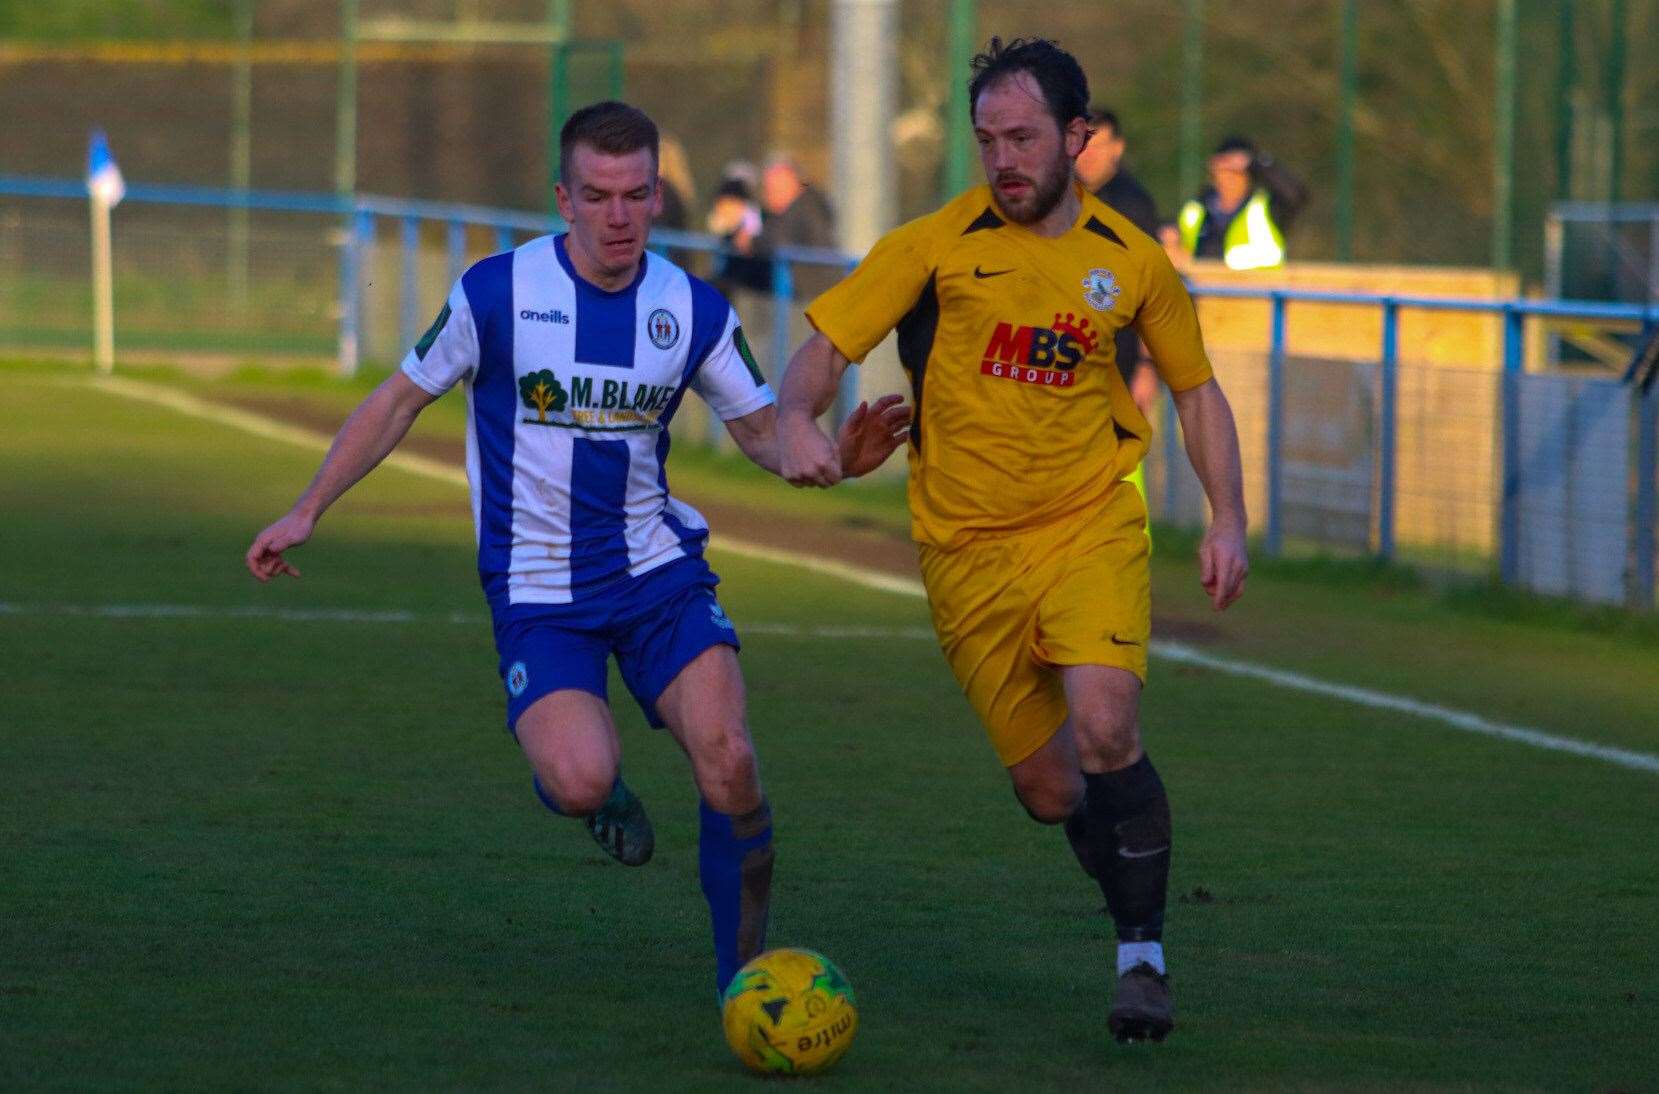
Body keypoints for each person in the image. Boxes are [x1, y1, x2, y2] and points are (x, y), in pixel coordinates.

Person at [244, 101, 909, 996]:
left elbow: (763, 436)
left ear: (655, 197)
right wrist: (307, 508)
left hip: (656, 574)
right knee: (580, 781)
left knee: (732, 760)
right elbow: (398, 399)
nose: (620, 217)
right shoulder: (494, 293)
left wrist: (833, 462)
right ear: (564, 198)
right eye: (598, 196)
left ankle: (742, 977)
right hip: (537, 588)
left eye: (637, 195)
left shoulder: (691, 309)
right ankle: (589, 792)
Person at [776, 37, 1248, 1043]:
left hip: (1089, 521)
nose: (1004, 158)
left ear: (1077, 137)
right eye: (987, 139)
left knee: (1106, 721)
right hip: (965, 553)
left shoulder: (1130, 260)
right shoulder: (933, 246)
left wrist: (1228, 516)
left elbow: (1198, 390)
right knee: (1049, 789)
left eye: (1024, 136)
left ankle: (1143, 954)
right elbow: (822, 351)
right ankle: (1122, 872)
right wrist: (794, 423)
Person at [1076, 106, 1158, 416]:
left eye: (1098, 145)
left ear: (1117, 148)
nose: (1089, 155)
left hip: (1118, 356)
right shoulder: (1061, 197)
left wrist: (1147, 366)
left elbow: (1153, 291)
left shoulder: (1132, 205)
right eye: (1083, 144)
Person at [1177, 135, 1308, 269]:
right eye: (1224, 169)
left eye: (1237, 172)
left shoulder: (1266, 208)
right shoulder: (1194, 210)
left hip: (1260, 288)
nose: (1229, 178)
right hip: (1202, 287)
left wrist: (1257, 163)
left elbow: (1296, 195)